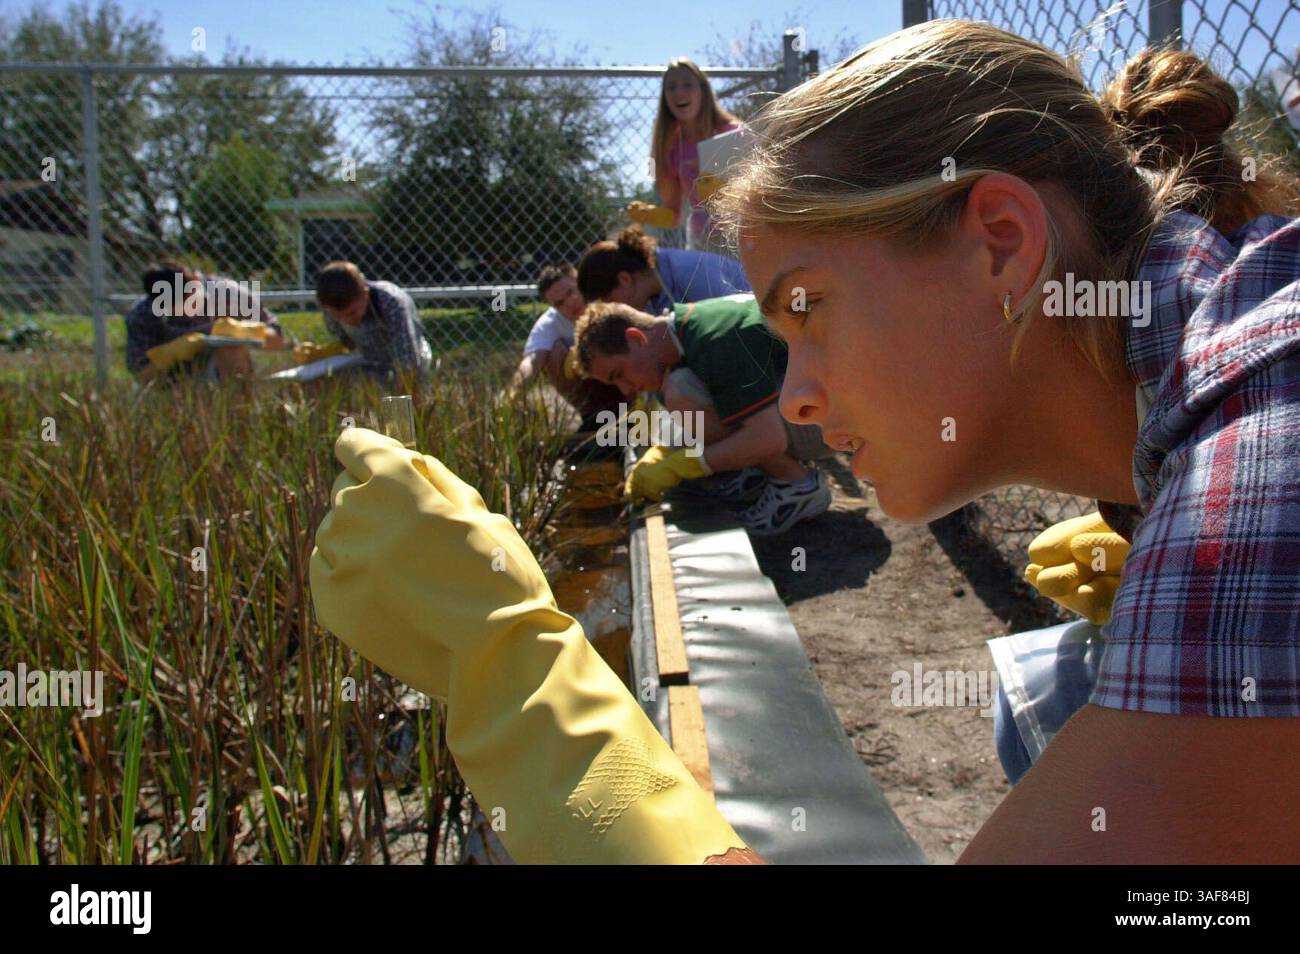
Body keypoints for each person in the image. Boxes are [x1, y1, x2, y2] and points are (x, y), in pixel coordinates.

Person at [708, 22, 1300, 861]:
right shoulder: (1187, 378)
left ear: (1004, 243)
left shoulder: (1272, 391)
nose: (795, 399)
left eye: (807, 308)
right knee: (1056, 691)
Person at [572, 295, 834, 535]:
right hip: (812, 402)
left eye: (619, 374)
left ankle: (797, 486)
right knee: (680, 389)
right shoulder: (683, 333)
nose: (625, 389)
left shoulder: (715, 338)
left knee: (681, 390)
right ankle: (754, 473)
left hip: (835, 418)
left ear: (637, 338)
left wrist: (685, 466)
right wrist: (666, 453)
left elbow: (770, 439)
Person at [628, 58, 742, 253]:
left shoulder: (734, 133)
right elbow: (676, 215)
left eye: (687, 85)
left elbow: (760, 193)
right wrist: (651, 215)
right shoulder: (671, 148)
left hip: (742, 235)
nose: (679, 92)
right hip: (701, 241)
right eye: (671, 88)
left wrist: (722, 188)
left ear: (702, 91)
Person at [125, 258, 286, 382]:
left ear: (196, 282)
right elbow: (142, 375)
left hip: (221, 371)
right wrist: (170, 353)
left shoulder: (229, 294)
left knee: (231, 352)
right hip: (173, 381)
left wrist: (245, 331)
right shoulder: (143, 314)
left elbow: (278, 341)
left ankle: (239, 415)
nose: (187, 313)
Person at [508, 263, 623, 431]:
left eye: (571, 292)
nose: (570, 302)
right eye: (560, 303)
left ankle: (633, 413)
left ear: (578, 280)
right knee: (554, 352)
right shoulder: (550, 323)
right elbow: (532, 362)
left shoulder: (609, 298)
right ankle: (591, 416)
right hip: (591, 388)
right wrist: (510, 398)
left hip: (626, 379)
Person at [302, 261, 432, 385]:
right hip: (369, 363)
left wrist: (398, 402)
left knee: (401, 405)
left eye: (351, 313)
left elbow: (408, 363)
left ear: (365, 294)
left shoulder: (391, 302)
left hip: (411, 364)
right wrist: (324, 354)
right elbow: (348, 345)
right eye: (337, 316)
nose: (345, 321)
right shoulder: (328, 305)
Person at [577, 225, 749, 317]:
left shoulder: (689, 273)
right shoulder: (648, 295)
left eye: (609, 301)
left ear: (624, 279)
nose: (613, 309)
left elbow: (737, 322)